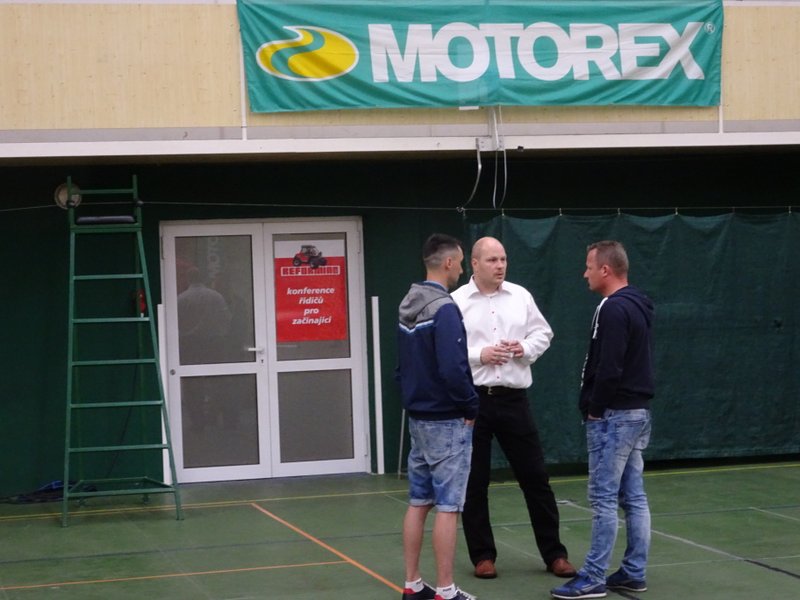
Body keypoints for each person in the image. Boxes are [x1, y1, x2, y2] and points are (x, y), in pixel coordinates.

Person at [451, 236, 576, 580]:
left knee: (536, 478)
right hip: (474, 400)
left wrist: (523, 348)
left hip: (514, 399)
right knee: (474, 482)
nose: (500, 266)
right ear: (474, 263)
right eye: (492, 260)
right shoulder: (456, 302)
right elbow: (446, 350)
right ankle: (483, 556)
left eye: (503, 259)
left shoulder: (521, 296)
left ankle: (555, 554)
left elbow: (543, 334)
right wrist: (480, 355)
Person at [551, 241, 654, 600]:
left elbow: (609, 366)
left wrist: (595, 407)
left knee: (604, 497)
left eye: (589, 267)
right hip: (637, 412)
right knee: (633, 495)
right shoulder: (639, 303)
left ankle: (593, 576)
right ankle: (634, 572)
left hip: (615, 416)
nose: (585, 273)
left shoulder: (612, 308)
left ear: (606, 270)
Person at [397, 234, 480, 600]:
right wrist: (470, 406)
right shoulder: (445, 309)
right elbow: (452, 368)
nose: (461, 268)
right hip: (447, 419)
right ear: (448, 263)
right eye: (460, 261)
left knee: (419, 502)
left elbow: (402, 366)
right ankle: (445, 590)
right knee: (448, 506)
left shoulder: (408, 303)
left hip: (418, 417)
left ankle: (412, 584)